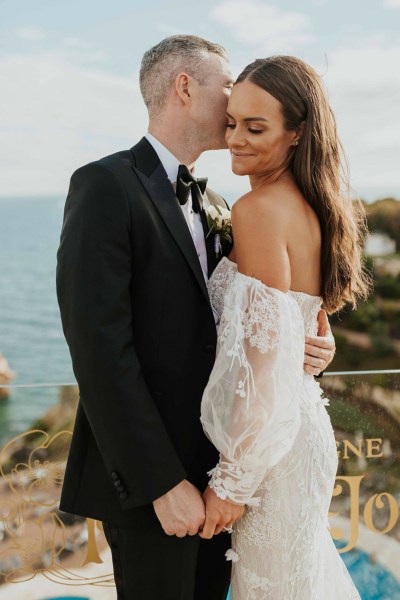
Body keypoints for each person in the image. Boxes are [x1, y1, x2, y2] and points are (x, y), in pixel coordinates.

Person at [56, 37, 335, 600]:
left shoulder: (219, 204)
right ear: (186, 87)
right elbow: (99, 351)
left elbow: (253, 330)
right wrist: (160, 484)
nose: (237, 109)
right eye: (228, 88)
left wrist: (314, 351)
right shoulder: (106, 185)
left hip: (225, 476)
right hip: (158, 487)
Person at [200, 56, 369, 599]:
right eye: (231, 123)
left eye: (256, 127)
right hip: (300, 432)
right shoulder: (318, 208)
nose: (235, 140)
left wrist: (232, 483)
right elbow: (296, 325)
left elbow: (263, 362)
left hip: (269, 451)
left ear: (297, 133)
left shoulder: (257, 210)